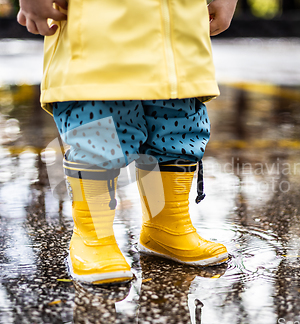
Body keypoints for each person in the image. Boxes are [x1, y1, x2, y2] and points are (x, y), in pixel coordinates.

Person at [17, 0, 237, 285]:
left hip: (179, 27)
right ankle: (93, 237)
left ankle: (167, 226)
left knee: (177, 125)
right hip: (97, 26)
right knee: (97, 128)